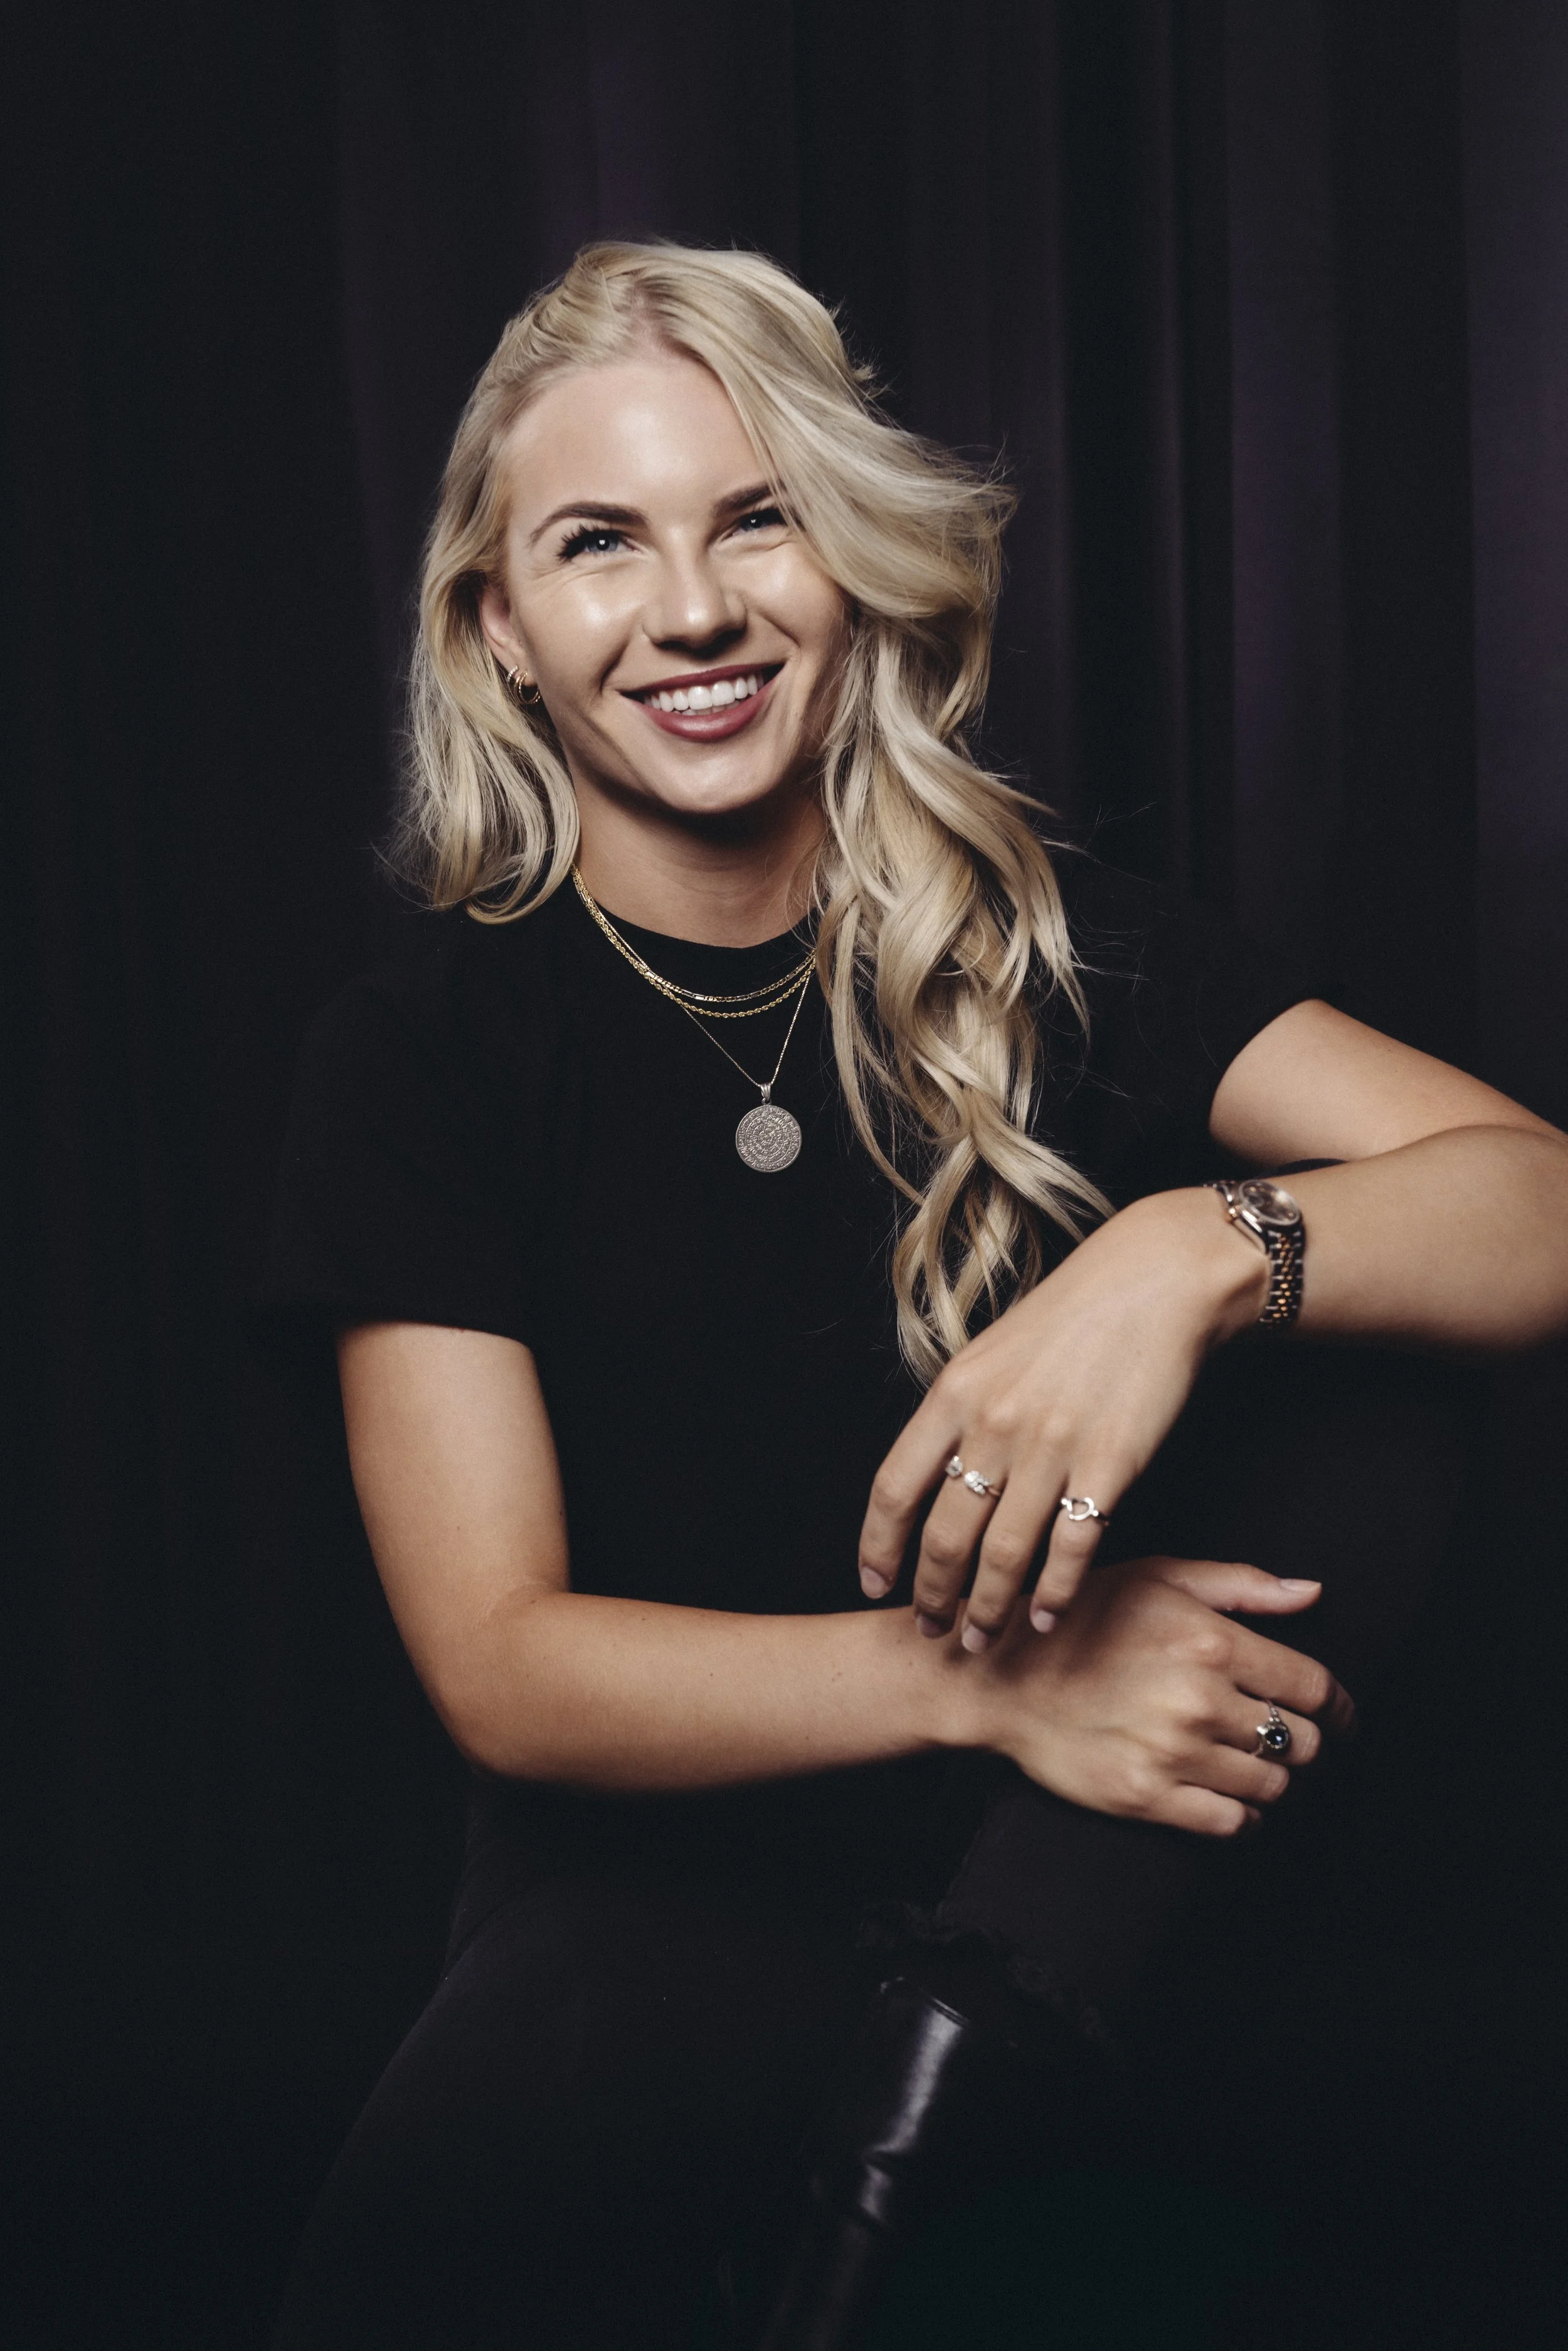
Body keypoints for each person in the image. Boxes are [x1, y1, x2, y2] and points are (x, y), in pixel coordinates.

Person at [260, 241, 1568, 2350]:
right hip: (636, 1962)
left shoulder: (1063, 966)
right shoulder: (424, 1056)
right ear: (497, 628)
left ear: (849, 558)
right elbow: (507, 1664)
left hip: (1047, 1940)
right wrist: (991, 1678)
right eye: (598, 544)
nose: (691, 609)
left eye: (754, 514)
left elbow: (1541, 1206)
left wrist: (1190, 1258)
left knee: (1386, 1345)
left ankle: (914, 2164)